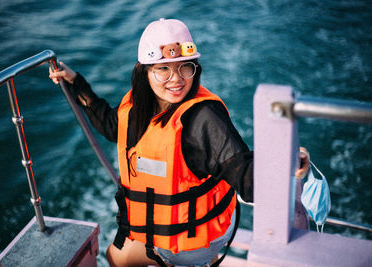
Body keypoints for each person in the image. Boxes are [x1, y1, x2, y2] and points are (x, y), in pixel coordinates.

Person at [49, 18, 310, 267]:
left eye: (185, 67)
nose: (176, 79)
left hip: (197, 240)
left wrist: (285, 165)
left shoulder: (203, 118)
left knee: (115, 257)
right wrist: (76, 83)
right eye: (163, 68)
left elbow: (245, 176)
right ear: (144, 72)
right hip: (169, 233)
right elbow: (110, 125)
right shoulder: (138, 107)